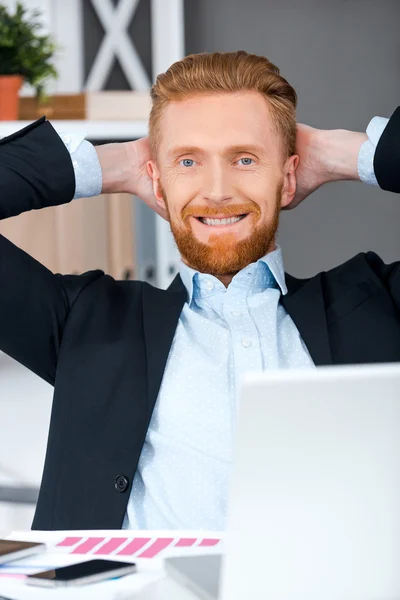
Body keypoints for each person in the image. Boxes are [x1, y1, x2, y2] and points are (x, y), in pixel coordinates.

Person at [0, 51, 399, 532]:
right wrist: (112, 165)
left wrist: (353, 154)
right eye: (188, 161)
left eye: (245, 158)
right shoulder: (83, 320)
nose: (216, 190)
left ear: (288, 177)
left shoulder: (379, 303)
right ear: (158, 182)